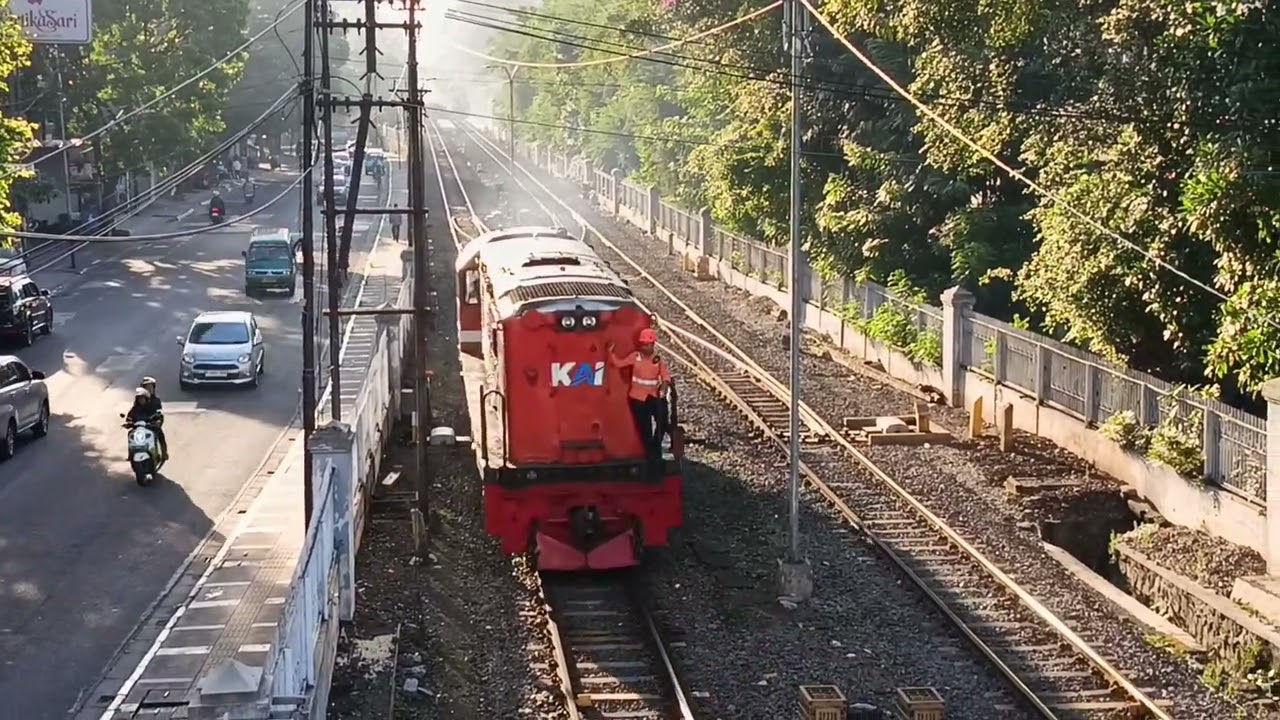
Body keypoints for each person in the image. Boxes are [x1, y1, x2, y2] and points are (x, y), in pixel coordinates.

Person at [607, 328, 672, 472]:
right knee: (645, 429)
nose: (647, 347)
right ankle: (650, 455)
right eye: (644, 344)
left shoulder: (657, 359)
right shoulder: (634, 357)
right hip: (638, 398)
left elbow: (666, 375)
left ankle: (656, 446)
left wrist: (665, 385)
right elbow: (619, 363)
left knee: (662, 421)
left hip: (653, 396)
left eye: (649, 344)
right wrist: (610, 353)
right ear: (640, 345)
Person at [125, 388, 167, 461]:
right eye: (139, 399)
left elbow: (158, 415)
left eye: (142, 399)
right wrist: (129, 422)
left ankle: (164, 453)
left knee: (159, 433)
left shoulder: (152, 406)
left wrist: (156, 421)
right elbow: (129, 417)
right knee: (130, 434)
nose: (141, 400)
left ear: (146, 399)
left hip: (150, 427)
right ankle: (131, 454)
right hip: (139, 429)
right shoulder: (135, 408)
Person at [138, 378, 168, 460]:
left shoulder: (156, 400)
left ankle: (164, 453)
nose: (149, 389)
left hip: (153, 422)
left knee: (160, 435)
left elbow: (160, 411)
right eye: (147, 387)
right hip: (141, 422)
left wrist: (158, 420)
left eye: (151, 387)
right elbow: (134, 410)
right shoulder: (139, 399)